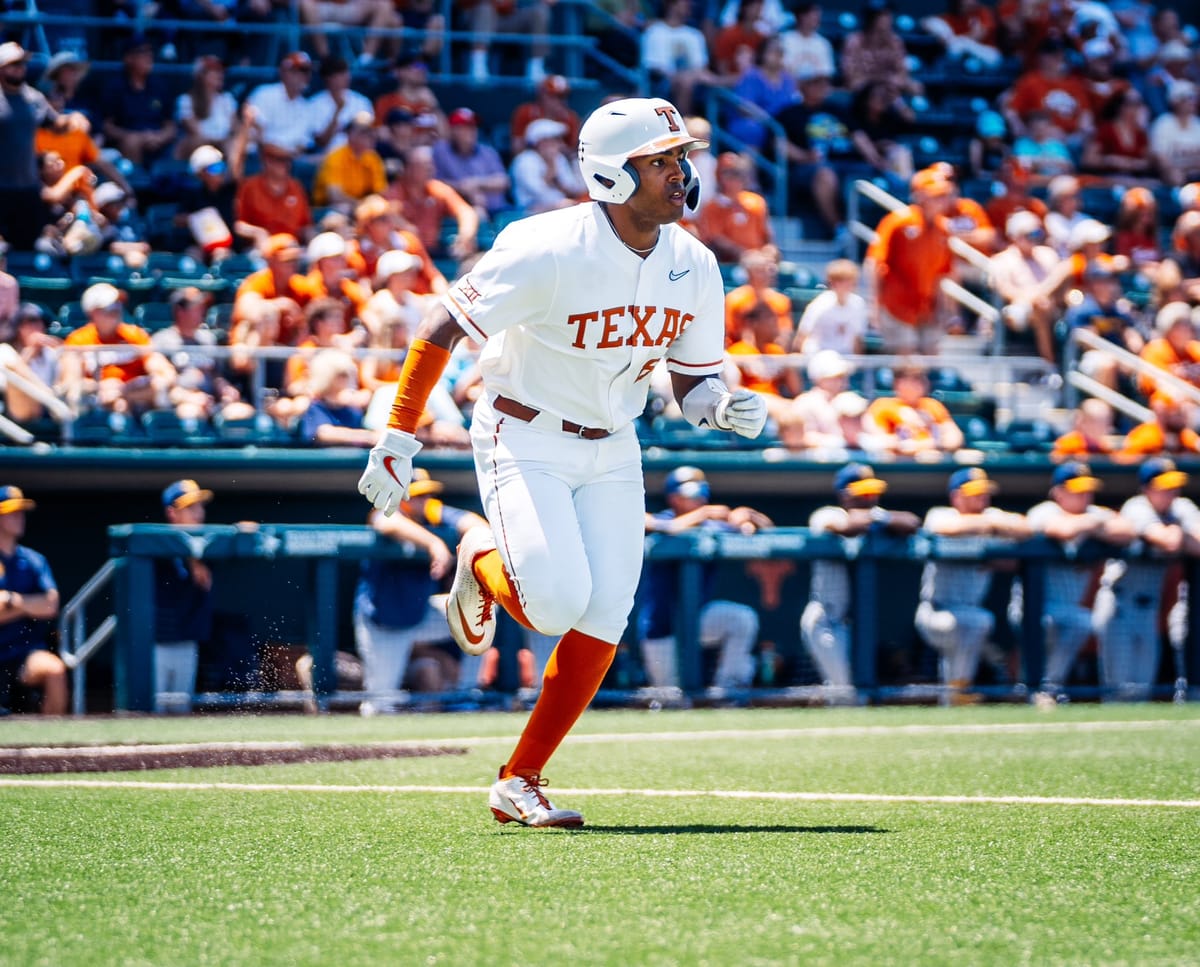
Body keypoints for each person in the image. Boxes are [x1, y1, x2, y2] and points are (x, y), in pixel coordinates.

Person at [356, 97, 767, 827]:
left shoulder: (696, 262)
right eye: (661, 162)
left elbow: (691, 380)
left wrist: (720, 405)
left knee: (605, 613)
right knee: (552, 603)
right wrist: (398, 436)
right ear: (613, 176)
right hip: (525, 432)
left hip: (615, 443)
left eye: (681, 159)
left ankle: (520, 778)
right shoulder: (545, 244)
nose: (680, 175)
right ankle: (478, 550)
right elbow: (440, 323)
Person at [356, 468, 490, 714]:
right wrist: (434, 544)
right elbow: (387, 523)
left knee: (481, 607)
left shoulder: (433, 513)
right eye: (416, 496)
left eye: (426, 495)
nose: (424, 500)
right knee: (380, 705)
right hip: (383, 622)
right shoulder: (386, 512)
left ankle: (467, 693)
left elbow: (475, 525)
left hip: (423, 617)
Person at [640, 467, 773, 694]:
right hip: (660, 626)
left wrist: (748, 517)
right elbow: (656, 525)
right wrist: (703, 514)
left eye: (702, 491)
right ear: (673, 497)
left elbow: (765, 531)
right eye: (692, 492)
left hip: (697, 619)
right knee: (670, 699)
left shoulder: (711, 526)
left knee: (742, 619)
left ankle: (728, 689)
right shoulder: (663, 519)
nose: (700, 498)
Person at [801, 463, 919, 702]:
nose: (872, 498)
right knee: (845, 691)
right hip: (823, 617)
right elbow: (847, 526)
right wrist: (877, 518)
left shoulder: (877, 517)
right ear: (845, 494)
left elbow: (912, 523)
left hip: (848, 624)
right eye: (864, 492)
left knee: (850, 692)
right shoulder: (827, 513)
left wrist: (880, 517)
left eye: (873, 491)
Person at [915, 468, 1031, 705]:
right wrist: (991, 525)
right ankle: (958, 690)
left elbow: (1026, 529)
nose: (983, 498)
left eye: (985, 493)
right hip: (936, 612)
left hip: (968, 610)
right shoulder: (941, 514)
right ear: (957, 496)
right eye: (975, 493)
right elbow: (945, 528)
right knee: (977, 621)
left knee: (971, 626)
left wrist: (993, 528)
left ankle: (955, 695)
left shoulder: (991, 516)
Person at [1022, 462, 1134, 704]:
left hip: (1069, 606)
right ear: (1058, 493)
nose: (1085, 495)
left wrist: (1092, 523)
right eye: (1077, 490)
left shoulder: (1092, 513)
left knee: (1082, 622)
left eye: (1088, 490)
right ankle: (1030, 689)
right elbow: (1062, 529)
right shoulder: (1045, 510)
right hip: (1034, 605)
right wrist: (1096, 525)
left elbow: (1127, 530)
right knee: (1039, 646)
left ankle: (1048, 690)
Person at [1093, 458, 1200, 700]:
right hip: (1118, 604)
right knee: (1119, 690)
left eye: (1174, 486)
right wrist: (1181, 533)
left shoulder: (1182, 507)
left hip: (1149, 607)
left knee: (1143, 689)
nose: (1172, 493)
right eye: (1164, 487)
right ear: (1147, 488)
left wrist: (1177, 530)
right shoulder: (1137, 507)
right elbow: (1169, 542)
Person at [0, 41, 90, 250]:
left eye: (22, 64)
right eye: (14, 64)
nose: (20, 68)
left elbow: (55, 124)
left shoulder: (33, 98)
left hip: (27, 187)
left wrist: (72, 119)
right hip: (1, 187)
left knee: (30, 244)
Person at [864, 168, 954, 354]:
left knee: (931, 357)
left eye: (945, 195)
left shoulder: (943, 228)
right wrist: (874, 306)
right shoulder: (898, 221)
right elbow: (874, 263)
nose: (943, 201)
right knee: (905, 363)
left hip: (926, 308)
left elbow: (942, 274)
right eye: (937, 195)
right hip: (896, 305)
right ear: (920, 196)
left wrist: (942, 308)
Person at [60, 282, 178, 415]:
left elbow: (165, 371)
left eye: (118, 305)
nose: (116, 310)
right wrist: (99, 386)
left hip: (134, 397)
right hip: (97, 399)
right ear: (93, 312)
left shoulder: (134, 335)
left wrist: (125, 390)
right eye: (110, 307)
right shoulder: (78, 340)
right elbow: (70, 382)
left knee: (161, 388)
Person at [0, 486, 65, 716]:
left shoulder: (33, 560)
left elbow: (51, 605)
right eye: (11, 511)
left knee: (55, 671)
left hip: (23, 652)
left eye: (21, 511)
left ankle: (51, 745)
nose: (19, 517)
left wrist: (11, 600)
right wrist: (29, 607)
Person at [156, 480, 215, 714]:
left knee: (180, 712)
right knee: (150, 714)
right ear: (172, 513)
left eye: (199, 506)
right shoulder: (157, 545)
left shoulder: (208, 544)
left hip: (187, 642)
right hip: (155, 645)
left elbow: (205, 582)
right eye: (190, 507)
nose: (198, 514)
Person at [988, 210, 1061, 363]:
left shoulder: (1048, 255)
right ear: (1014, 236)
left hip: (1051, 305)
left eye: (1037, 233)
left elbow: (1059, 286)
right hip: (1019, 309)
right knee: (1038, 307)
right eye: (1029, 234)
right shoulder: (1001, 260)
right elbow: (1005, 291)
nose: (1034, 238)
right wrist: (1033, 298)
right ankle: (1049, 363)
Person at [100, 36, 177, 167]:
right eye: (143, 52)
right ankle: (136, 184)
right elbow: (107, 126)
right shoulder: (114, 87)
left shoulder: (160, 86)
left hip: (158, 139)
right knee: (131, 142)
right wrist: (134, 136)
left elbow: (171, 126)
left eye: (150, 52)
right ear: (128, 58)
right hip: (127, 141)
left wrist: (159, 137)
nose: (149, 57)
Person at [862, 362, 964, 457]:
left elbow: (955, 437)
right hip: (898, 468)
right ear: (898, 383)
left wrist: (921, 445)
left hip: (933, 466)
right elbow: (877, 441)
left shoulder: (932, 405)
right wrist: (925, 444)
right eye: (914, 379)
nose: (921, 383)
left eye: (921, 379)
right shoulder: (882, 405)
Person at [433, 107, 511, 221]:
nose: (470, 131)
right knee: (478, 215)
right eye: (464, 127)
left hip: (498, 211)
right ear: (452, 130)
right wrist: (462, 188)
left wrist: (477, 183)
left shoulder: (487, 152)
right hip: (459, 210)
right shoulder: (441, 151)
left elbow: (503, 181)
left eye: (472, 127)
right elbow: (433, 183)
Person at [695, 152, 774, 263]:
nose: (736, 178)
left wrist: (770, 251)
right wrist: (746, 255)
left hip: (759, 259)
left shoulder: (757, 202)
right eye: (729, 173)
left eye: (739, 173)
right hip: (731, 263)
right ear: (719, 176)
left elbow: (768, 238)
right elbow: (716, 240)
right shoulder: (711, 207)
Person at [311, 112, 387, 211]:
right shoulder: (336, 156)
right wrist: (361, 205)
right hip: (327, 208)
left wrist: (371, 205)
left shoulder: (373, 158)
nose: (370, 136)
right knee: (343, 209)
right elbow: (334, 196)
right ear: (351, 134)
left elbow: (381, 192)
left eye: (371, 132)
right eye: (364, 132)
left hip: (359, 206)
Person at [509, 118, 586, 215]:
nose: (558, 143)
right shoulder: (524, 160)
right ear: (539, 142)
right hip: (527, 211)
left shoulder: (558, 158)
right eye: (553, 140)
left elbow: (573, 188)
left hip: (559, 207)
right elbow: (539, 192)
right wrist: (550, 169)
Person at [792, 259, 868, 355]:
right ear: (832, 283)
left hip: (845, 357)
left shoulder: (858, 304)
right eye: (840, 280)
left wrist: (859, 366)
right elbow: (802, 336)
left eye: (849, 280)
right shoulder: (819, 304)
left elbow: (857, 340)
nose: (845, 285)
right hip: (818, 355)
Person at [1138, 301, 1200, 400]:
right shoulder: (1156, 349)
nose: (1187, 328)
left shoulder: (1196, 348)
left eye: (1188, 323)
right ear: (1168, 328)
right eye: (1180, 324)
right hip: (1170, 406)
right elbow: (1150, 384)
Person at [1051, 398, 1117, 461]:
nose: (1107, 427)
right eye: (1097, 421)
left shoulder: (1103, 447)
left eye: (1107, 421)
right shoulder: (1068, 444)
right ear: (1083, 421)